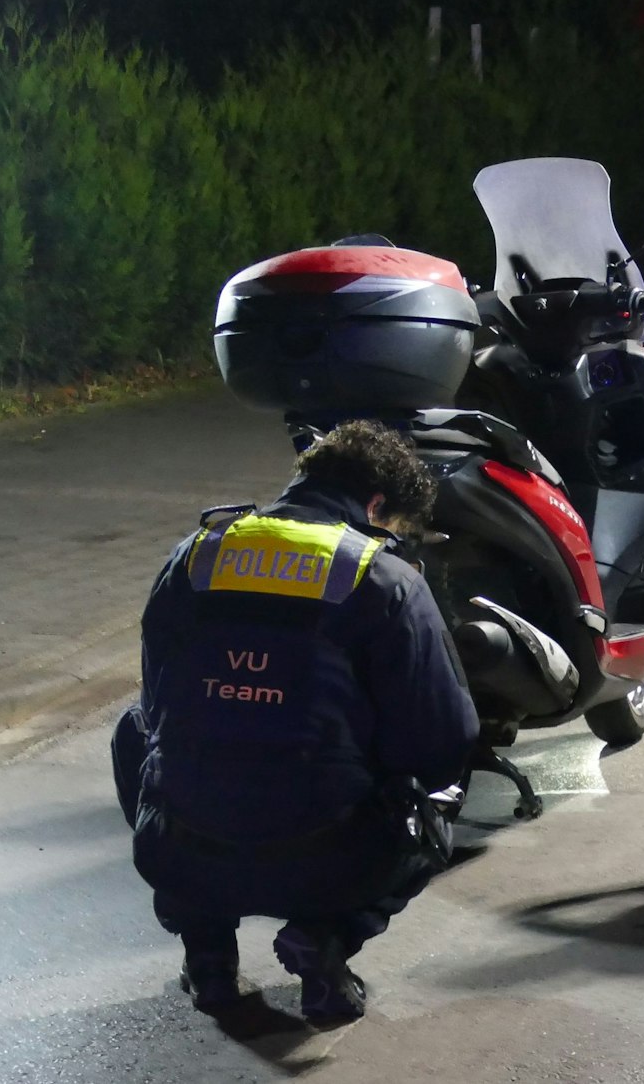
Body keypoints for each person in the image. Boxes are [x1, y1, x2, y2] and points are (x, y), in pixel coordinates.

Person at [111, 420, 478, 1023]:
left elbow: (157, 707)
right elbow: (441, 740)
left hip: (183, 844)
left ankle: (206, 950)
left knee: (136, 733)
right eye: (397, 529)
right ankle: (328, 937)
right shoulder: (384, 579)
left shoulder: (197, 554)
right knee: (438, 795)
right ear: (376, 504)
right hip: (328, 856)